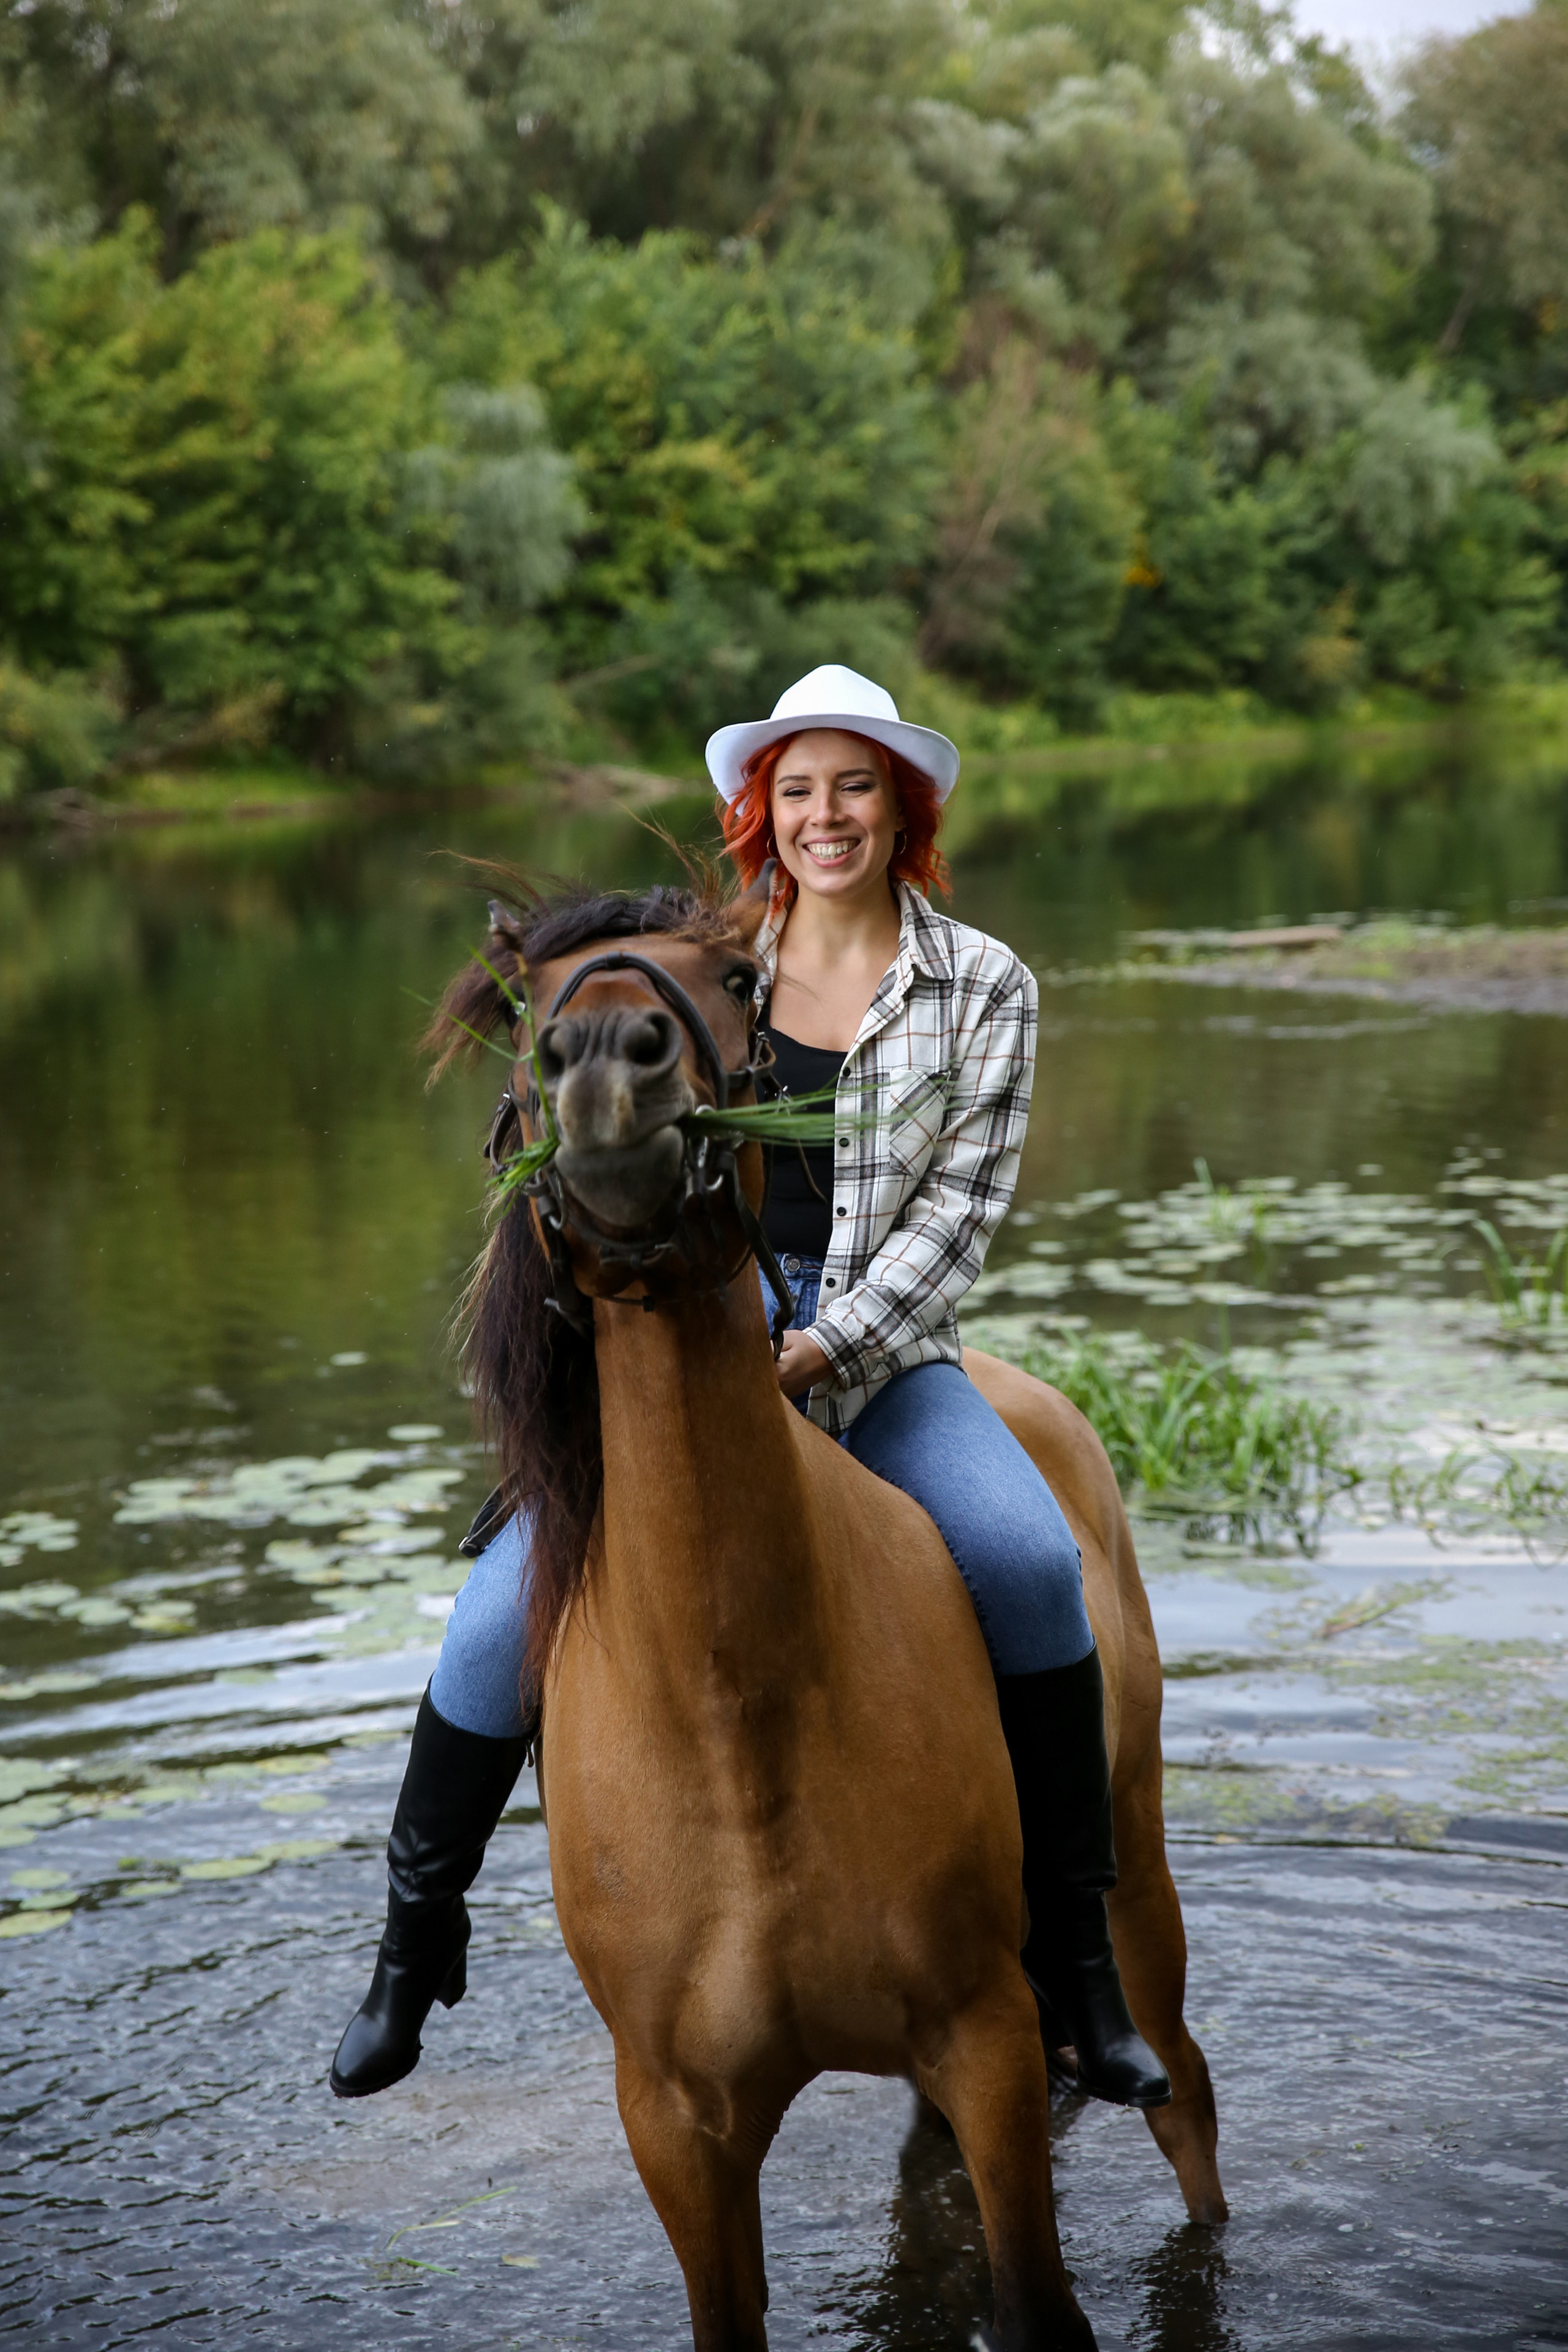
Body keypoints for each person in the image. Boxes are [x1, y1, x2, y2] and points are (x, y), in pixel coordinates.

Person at [330, 666, 1169, 2113]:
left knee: (1032, 1564)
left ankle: (1078, 1975)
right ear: (757, 814)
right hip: (691, 1338)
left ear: (901, 807)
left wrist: (826, 1347)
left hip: (881, 1352)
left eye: (853, 786)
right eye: (795, 791)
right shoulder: (706, 966)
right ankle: (413, 1952)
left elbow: (956, 1222)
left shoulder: (983, 986)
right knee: (488, 1628)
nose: (823, 816)